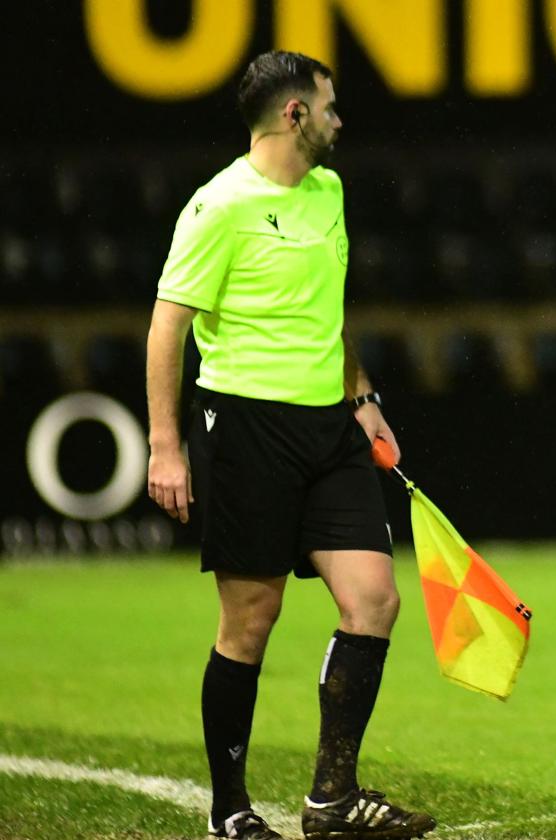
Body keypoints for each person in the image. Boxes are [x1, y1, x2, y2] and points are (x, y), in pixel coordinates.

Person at [146, 51, 435, 840]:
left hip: (329, 427)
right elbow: (168, 323)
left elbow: (327, 312)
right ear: (294, 115)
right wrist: (165, 446)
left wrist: (363, 395)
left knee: (374, 601)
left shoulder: (330, 193)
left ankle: (331, 800)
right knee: (251, 620)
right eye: (330, 106)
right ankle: (229, 810)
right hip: (246, 428)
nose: (341, 119)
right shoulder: (219, 207)